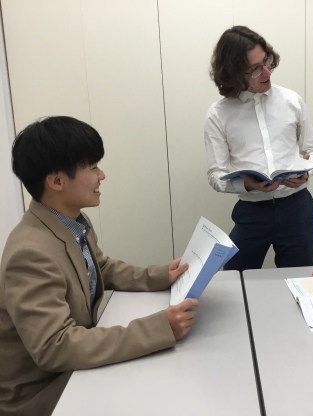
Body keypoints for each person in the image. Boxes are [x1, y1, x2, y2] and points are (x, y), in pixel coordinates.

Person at [0, 116, 198, 415]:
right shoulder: (30, 253)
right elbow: (55, 347)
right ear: (56, 181)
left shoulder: (71, 222)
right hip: (40, 391)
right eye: (92, 167)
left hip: (70, 368)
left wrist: (160, 275)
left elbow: (100, 268)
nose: (101, 175)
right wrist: (159, 328)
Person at [205, 26, 313, 271]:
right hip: (252, 213)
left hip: (297, 209)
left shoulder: (291, 101)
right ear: (234, 73)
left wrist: (306, 173)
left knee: (297, 282)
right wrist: (247, 185)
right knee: (234, 281)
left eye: (267, 61)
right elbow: (216, 175)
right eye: (255, 68)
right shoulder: (218, 114)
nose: (267, 72)